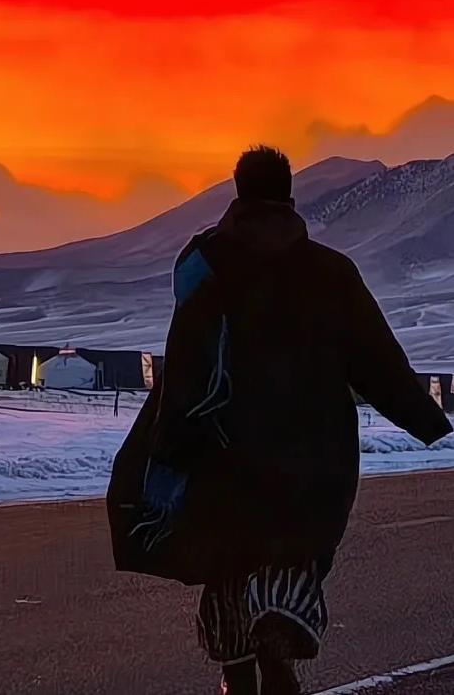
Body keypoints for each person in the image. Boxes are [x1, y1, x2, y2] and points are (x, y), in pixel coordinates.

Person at [106, 146, 452, 695]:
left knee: (228, 567)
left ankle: (240, 666)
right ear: (291, 199)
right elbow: (378, 361)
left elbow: (187, 363)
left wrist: (168, 448)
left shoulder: (205, 264)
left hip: (227, 457)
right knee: (294, 559)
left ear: (237, 194)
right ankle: (279, 640)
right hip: (314, 465)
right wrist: (430, 419)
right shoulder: (332, 272)